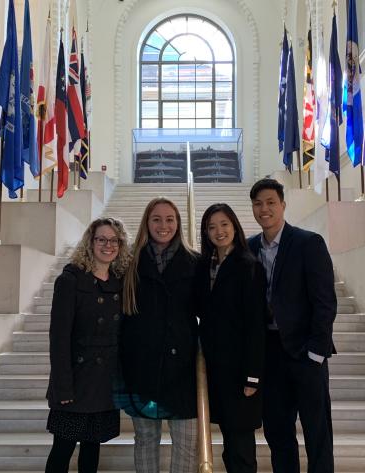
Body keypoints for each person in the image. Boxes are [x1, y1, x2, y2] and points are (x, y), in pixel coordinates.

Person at [247, 178, 337, 473]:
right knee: (277, 432)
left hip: (305, 353)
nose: (265, 209)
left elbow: (325, 302)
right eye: (258, 204)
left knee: (317, 433)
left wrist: (316, 353)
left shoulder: (308, 243)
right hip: (269, 355)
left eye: (271, 202)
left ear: (283, 205)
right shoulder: (247, 248)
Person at [117, 197, 199, 473]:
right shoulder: (128, 262)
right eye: (157, 219)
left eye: (170, 219)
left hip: (183, 369)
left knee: (187, 444)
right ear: (146, 223)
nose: (163, 225)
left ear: (178, 223)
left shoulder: (195, 262)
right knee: (145, 440)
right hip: (141, 368)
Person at [45, 217, 132, 473]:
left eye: (114, 240)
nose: (108, 245)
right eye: (102, 239)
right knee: (63, 447)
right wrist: (63, 387)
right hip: (75, 380)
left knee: (92, 447)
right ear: (90, 243)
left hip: (104, 382)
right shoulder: (70, 280)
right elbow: (59, 339)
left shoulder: (120, 280)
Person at [194, 203, 267, 473]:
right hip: (216, 368)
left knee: (241, 448)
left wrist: (253, 375)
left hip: (242, 371)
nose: (219, 231)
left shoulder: (249, 266)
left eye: (224, 224)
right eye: (211, 227)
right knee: (228, 442)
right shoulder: (205, 266)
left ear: (235, 226)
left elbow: (255, 326)